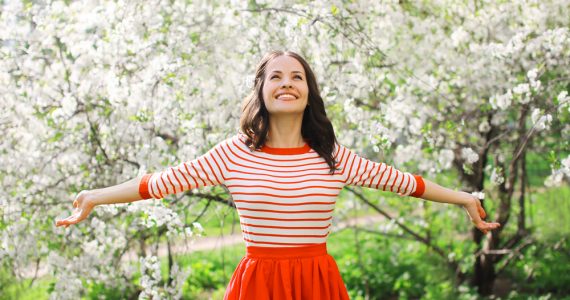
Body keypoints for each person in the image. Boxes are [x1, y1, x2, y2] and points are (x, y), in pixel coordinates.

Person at [56, 50, 501, 299]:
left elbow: (406, 182)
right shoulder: (234, 154)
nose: (287, 82)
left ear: (308, 94)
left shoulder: (332, 157)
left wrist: (463, 197)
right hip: (258, 283)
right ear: (262, 91)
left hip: (317, 282)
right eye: (276, 77)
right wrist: (95, 195)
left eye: (297, 77)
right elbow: (158, 183)